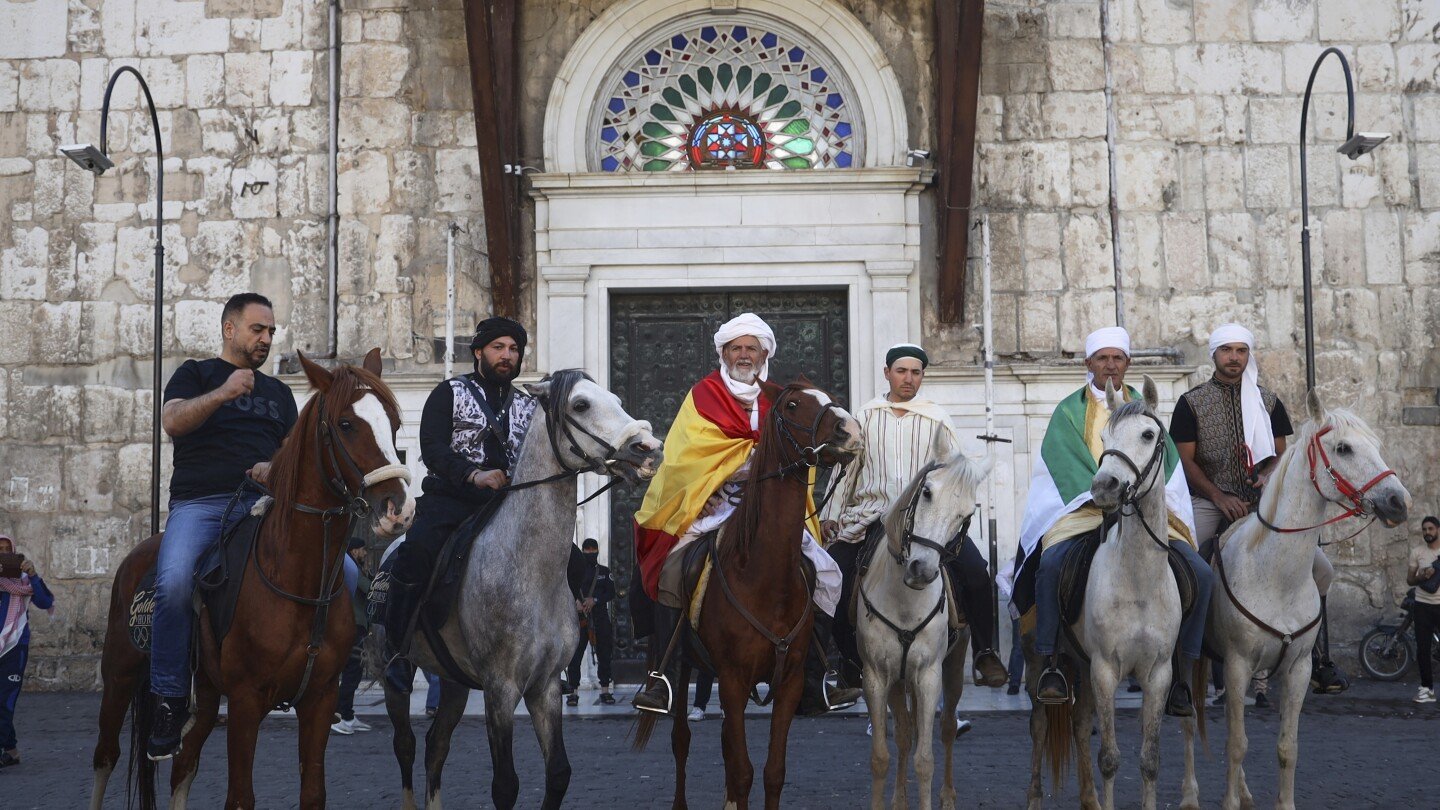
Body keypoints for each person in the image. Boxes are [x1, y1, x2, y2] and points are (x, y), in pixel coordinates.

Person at [631, 313, 859, 716]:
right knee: (672, 569)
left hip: (772, 513)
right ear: (723, 352)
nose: (743, 354)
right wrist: (738, 463)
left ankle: (818, 672)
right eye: (735, 348)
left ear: (764, 353)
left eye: (751, 348)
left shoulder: (783, 399)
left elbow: (802, 450)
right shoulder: (703, 394)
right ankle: (661, 677)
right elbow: (685, 458)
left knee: (827, 572)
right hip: (715, 507)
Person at [1016, 326, 1212, 717]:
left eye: (1117, 358)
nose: (1109, 365)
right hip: (1083, 510)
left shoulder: (1145, 411)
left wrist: (1138, 498)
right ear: (1088, 363)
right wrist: (1101, 493)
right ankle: (1051, 663)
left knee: (1202, 575)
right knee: (1052, 565)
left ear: (1127, 364)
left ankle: (1182, 675)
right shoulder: (1068, 412)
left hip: (1141, 512)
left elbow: (1167, 469)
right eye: (1102, 358)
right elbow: (1061, 465)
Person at [149, 292, 300, 760]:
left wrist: (274, 467)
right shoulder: (196, 373)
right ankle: (170, 698)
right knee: (172, 582)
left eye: (271, 331)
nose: (266, 338)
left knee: (347, 578)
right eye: (258, 329)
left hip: (264, 506)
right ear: (230, 329)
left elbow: (292, 454)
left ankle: (308, 677)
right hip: (203, 505)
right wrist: (222, 393)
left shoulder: (279, 393)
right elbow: (172, 420)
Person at [1171, 323, 1346, 695]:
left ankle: (1316, 657)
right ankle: (1180, 667)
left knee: (1322, 570)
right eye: (1227, 350)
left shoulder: (1269, 402)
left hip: (1260, 506)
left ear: (1248, 356)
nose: (1234, 357)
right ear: (1214, 355)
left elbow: (1281, 456)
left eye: (1241, 351)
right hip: (1208, 501)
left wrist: (1268, 475)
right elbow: (1185, 463)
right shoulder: (1191, 403)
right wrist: (1219, 497)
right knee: (1182, 567)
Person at [821, 343, 1008, 689]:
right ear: (887, 373)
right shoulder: (865, 416)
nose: (908, 379)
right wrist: (832, 514)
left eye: (915, 372)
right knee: (832, 578)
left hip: (928, 521)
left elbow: (956, 471)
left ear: (923, 376)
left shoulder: (938, 419)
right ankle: (847, 662)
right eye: (901, 371)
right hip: (872, 516)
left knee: (977, 573)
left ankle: (985, 652)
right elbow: (848, 468)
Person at [382, 317, 537, 692]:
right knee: (416, 553)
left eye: (514, 349)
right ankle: (398, 648)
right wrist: (473, 474)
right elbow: (432, 448)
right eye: (499, 348)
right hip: (451, 500)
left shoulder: (528, 405)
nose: (507, 356)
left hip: (507, 504)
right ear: (479, 352)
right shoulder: (449, 392)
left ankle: (552, 652)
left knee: (570, 561)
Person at [0, 533, 54, 768]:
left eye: (6, 549)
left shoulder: (24, 580)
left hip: (14, 648)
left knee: (5, 701)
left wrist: (32, 575)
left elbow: (45, 602)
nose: (3, 553)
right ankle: (11, 750)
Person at [565, 539, 616, 706]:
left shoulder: (604, 571)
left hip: (600, 619)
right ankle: (573, 692)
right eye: (587, 550)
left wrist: (595, 600)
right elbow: (566, 590)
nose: (590, 553)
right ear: (582, 551)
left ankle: (605, 691)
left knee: (604, 655)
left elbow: (611, 592)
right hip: (580, 621)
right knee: (575, 657)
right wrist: (576, 602)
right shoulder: (574, 573)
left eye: (593, 550)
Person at [332, 539, 374, 735]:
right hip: (354, 626)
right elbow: (370, 589)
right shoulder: (350, 568)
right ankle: (341, 716)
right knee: (351, 672)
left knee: (354, 673)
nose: (365, 553)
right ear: (355, 550)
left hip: (357, 625)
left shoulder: (353, 566)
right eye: (363, 550)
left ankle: (347, 715)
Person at [1407, 516, 1440, 703]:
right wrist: (1421, 576)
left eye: (1431, 529)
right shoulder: (1417, 552)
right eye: (1424, 529)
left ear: (1438, 530)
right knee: (1423, 649)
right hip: (1422, 606)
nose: (1427, 532)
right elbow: (1409, 580)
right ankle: (1427, 689)